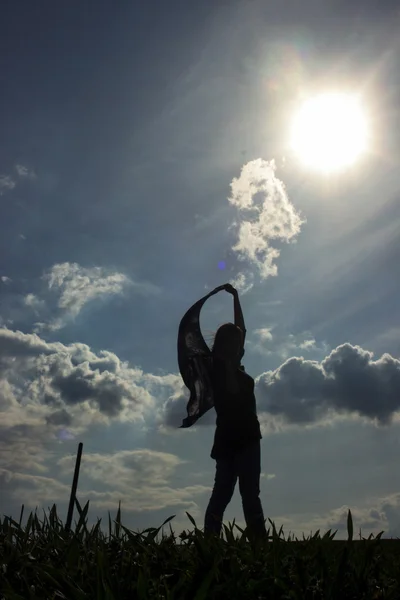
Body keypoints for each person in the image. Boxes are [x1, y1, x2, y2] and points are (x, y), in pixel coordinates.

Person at [177, 283, 267, 545]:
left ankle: (259, 546)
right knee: (222, 495)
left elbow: (242, 329)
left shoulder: (235, 362)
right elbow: (230, 391)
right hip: (229, 441)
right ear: (228, 345)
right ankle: (209, 544)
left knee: (250, 496)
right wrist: (227, 365)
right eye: (235, 341)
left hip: (249, 439)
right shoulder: (215, 369)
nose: (240, 342)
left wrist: (235, 298)